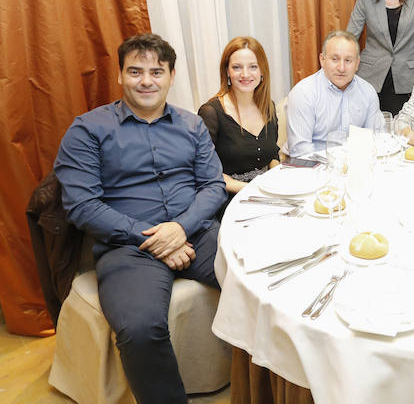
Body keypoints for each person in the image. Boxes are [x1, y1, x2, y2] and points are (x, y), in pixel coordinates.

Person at [54, 33, 226, 403]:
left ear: (171, 75)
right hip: (126, 247)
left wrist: (180, 228)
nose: (146, 80)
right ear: (120, 75)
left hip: (195, 231)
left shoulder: (191, 125)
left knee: (258, 282)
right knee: (139, 327)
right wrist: (153, 239)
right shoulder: (87, 130)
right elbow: (82, 205)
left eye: (156, 71)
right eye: (135, 71)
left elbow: (212, 186)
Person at [199, 37, 279, 198]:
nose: (245, 74)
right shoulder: (210, 113)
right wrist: (252, 190)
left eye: (253, 67)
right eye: (237, 67)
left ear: (262, 71)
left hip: (266, 190)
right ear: (227, 71)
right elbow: (205, 171)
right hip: (230, 194)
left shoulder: (268, 106)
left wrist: (276, 176)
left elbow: (273, 155)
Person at [285, 30, 383, 157]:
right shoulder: (303, 93)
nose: (341, 68)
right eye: (335, 59)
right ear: (322, 60)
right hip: (313, 168)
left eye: (348, 60)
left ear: (357, 63)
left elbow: (374, 139)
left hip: (357, 166)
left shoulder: (368, 92)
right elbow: (300, 151)